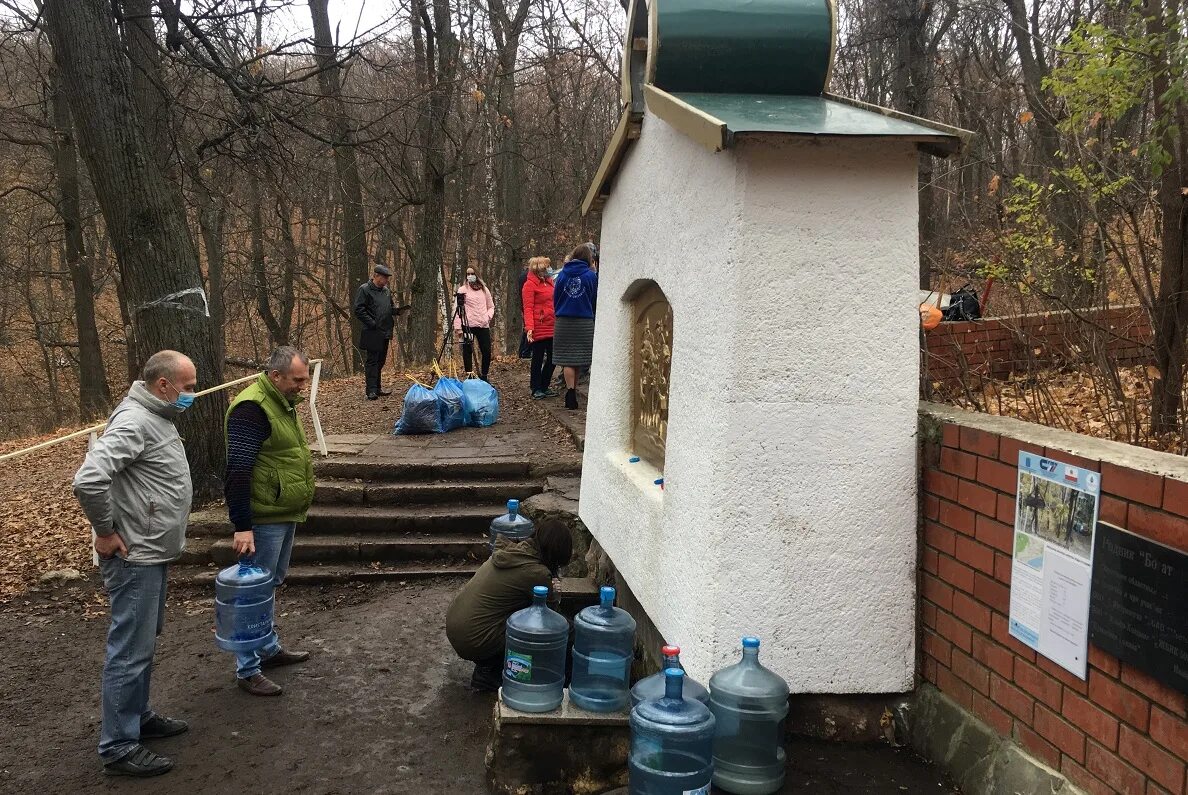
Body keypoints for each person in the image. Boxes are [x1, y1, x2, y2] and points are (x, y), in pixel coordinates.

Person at [73, 350, 197, 778]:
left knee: (142, 645)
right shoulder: (133, 421)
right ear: (163, 386)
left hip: (152, 551)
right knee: (129, 651)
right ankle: (119, 746)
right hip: (135, 557)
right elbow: (88, 479)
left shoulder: (155, 416)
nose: (192, 395)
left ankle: (138, 717)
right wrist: (105, 531)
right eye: (189, 387)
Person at [223, 346, 315, 696]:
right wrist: (242, 525)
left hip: (283, 510)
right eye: (297, 380)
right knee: (252, 590)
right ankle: (247, 668)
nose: (303, 386)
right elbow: (238, 470)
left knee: (269, 583)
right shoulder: (252, 408)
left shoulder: (280, 402)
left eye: (305, 379)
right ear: (275, 376)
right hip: (262, 517)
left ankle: (267, 647)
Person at [445, 520, 574, 691]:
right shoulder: (536, 573)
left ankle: (489, 666)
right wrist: (555, 593)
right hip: (475, 639)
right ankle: (492, 672)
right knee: (550, 632)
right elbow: (550, 622)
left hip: (458, 628)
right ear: (557, 553)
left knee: (520, 614)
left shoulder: (512, 553)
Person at [553, 242, 599, 410]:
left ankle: (570, 391)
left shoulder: (562, 275)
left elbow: (556, 297)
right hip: (584, 321)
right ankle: (572, 390)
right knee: (578, 359)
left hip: (564, 320)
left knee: (567, 360)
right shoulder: (591, 276)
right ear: (589, 258)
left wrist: (560, 311)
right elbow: (594, 298)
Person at [353, 263, 401, 401]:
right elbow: (358, 309)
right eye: (384, 277)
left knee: (381, 360)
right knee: (372, 361)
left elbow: (389, 307)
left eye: (387, 278)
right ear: (376, 276)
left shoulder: (386, 291)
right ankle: (371, 390)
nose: (386, 280)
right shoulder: (364, 289)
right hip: (372, 331)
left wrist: (397, 311)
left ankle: (378, 387)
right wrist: (372, 323)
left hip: (385, 330)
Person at [522, 256, 558, 399]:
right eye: (546, 268)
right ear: (539, 270)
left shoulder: (549, 283)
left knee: (553, 358)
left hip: (552, 325)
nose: (549, 270)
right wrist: (529, 327)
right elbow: (528, 308)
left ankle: (544, 384)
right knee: (537, 358)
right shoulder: (529, 285)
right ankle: (536, 387)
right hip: (539, 326)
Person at [454, 266, 495, 381]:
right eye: (468, 274)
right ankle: (470, 376)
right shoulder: (462, 290)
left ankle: (484, 375)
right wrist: (458, 328)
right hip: (468, 326)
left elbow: (491, 306)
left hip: (483, 325)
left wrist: (487, 317)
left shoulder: (484, 289)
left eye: (472, 273)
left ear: (476, 274)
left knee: (486, 351)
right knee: (467, 351)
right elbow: (457, 310)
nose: (470, 276)